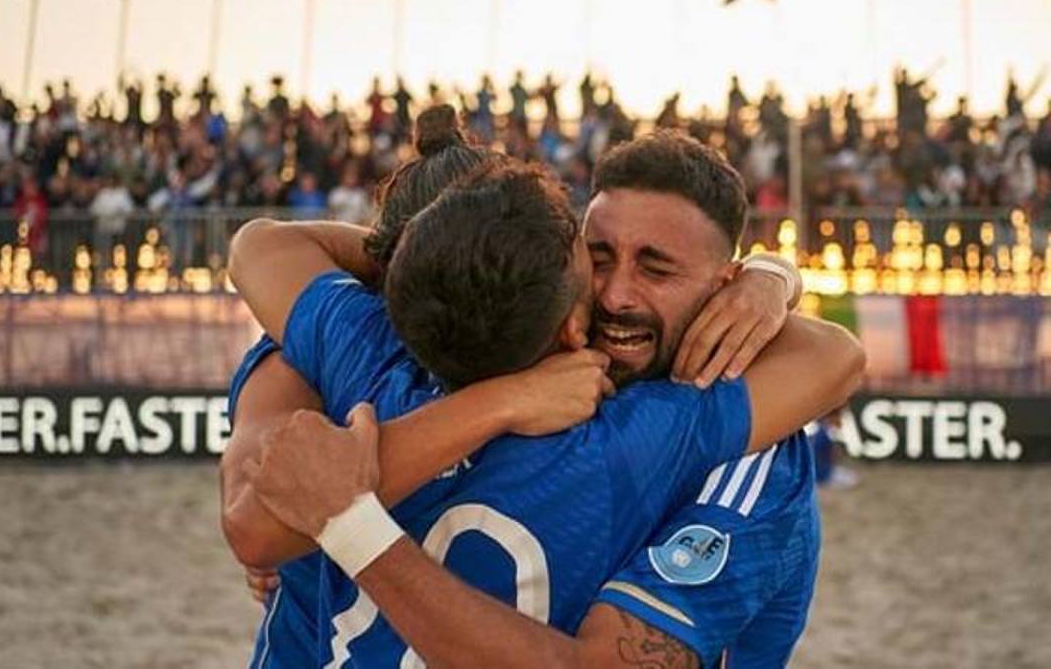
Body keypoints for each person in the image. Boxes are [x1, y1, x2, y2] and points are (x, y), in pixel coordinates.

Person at [224, 123, 863, 666]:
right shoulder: (659, 435)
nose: (616, 293)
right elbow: (835, 356)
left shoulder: (344, 357)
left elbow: (256, 526)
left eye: (656, 268)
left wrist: (770, 278)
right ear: (569, 308)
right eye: (598, 256)